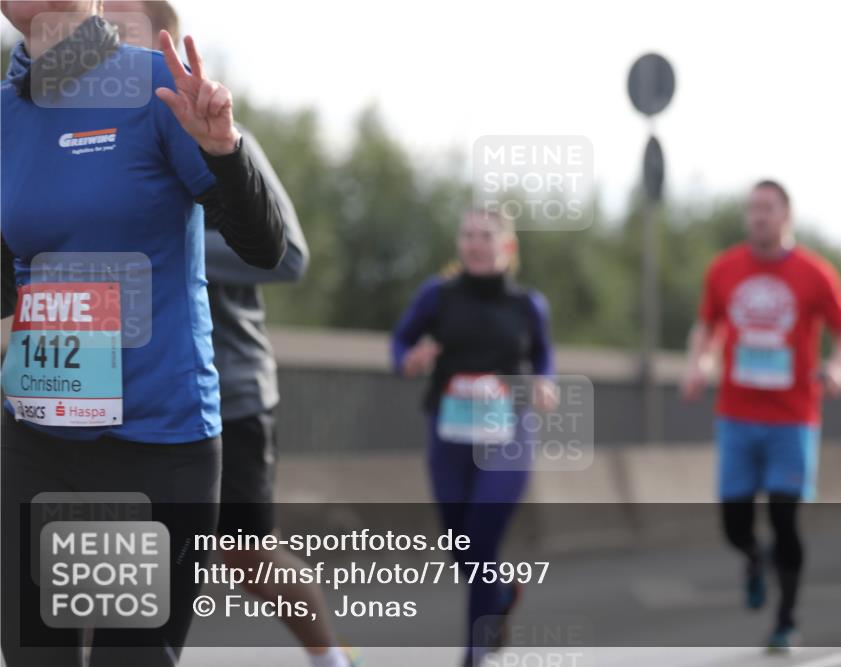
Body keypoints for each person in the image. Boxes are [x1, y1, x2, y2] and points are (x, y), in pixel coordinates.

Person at [1, 1, 287, 664]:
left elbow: (265, 248)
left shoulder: (155, 85)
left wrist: (224, 151)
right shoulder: (5, 114)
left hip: (153, 445)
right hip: (35, 440)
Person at [101, 3, 362, 665]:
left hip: (229, 387)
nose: (101, 39)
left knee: (245, 552)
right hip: (126, 388)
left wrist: (165, 242)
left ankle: (331, 656)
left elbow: (291, 253)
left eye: (120, 27)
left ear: (168, 48)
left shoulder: (218, 133)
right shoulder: (93, 142)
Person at [681, 180, 841, 651]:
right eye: (752, 208)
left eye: (768, 208)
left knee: (786, 519)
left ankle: (786, 619)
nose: (758, 216)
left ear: (787, 216)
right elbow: (707, 326)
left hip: (793, 417)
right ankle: (752, 557)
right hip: (737, 415)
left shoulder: (814, 273)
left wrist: (840, 369)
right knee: (733, 525)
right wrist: (699, 362)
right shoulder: (724, 269)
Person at [391, 209, 555, 667]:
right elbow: (400, 342)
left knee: (481, 538)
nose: (476, 243)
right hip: (451, 433)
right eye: (468, 235)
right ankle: (500, 594)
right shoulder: (437, 295)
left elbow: (544, 353)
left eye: (486, 235)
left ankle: (475, 652)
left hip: (508, 432)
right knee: (459, 544)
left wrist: (546, 381)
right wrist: (410, 359)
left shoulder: (528, 305)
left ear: (507, 247)